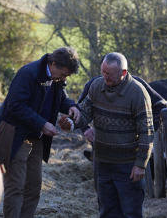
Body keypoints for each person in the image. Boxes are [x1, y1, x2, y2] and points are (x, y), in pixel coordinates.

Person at [59, 52, 154, 217]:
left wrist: (140, 164)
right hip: (102, 162)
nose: (104, 76)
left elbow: (146, 131)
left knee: (130, 212)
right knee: (107, 211)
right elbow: (85, 113)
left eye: (109, 74)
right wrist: (71, 123)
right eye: (103, 71)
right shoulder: (96, 86)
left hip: (128, 165)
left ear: (123, 73)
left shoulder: (138, 94)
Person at [0, 46, 81, 218]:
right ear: (53, 63)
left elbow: (61, 98)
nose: (64, 79)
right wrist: (42, 124)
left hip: (37, 139)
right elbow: (15, 105)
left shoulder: (56, 80)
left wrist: (71, 106)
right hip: (16, 136)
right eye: (63, 74)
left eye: (66, 76)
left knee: (33, 187)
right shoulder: (28, 73)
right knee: (16, 186)